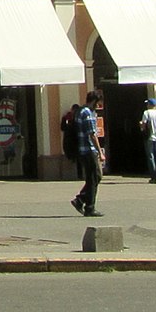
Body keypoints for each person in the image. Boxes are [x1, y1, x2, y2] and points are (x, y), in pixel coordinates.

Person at [70, 90, 105, 218]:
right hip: (89, 150)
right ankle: (89, 206)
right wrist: (100, 152)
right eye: (98, 102)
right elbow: (92, 134)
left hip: (83, 150)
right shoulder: (87, 113)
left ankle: (81, 200)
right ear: (94, 101)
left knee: (94, 177)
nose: (99, 105)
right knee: (95, 177)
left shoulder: (80, 111)